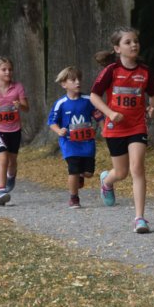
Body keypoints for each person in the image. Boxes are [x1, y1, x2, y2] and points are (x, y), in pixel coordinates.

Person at [90, 27, 154, 233]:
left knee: (137, 168)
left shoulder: (145, 72)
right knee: (121, 173)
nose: (134, 45)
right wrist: (110, 113)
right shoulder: (111, 71)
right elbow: (94, 96)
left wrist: (153, 107)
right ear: (117, 48)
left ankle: (140, 218)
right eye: (128, 42)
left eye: (135, 41)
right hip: (115, 128)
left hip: (137, 126)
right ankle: (107, 180)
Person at [48, 66, 98, 208]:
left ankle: (81, 176)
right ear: (64, 84)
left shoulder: (88, 100)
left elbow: (98, 115)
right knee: (73, 170)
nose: (77, 82)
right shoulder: (60, 103)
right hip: (69, 143)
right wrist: (59, 131)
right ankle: (74, 198)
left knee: (88, 173)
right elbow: (51, 121)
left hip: (87, 142)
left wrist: (105, 127)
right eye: (73, 80)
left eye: (79, 79)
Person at [0, 57, 29, 206]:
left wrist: (20, 105)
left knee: (12, 161)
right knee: (2, 159)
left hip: (14, 130)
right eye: (4, 69)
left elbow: (26, 108)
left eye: (10, 69)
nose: (8, 72)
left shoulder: (18, 87)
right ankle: (2, 191)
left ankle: (11, 176)